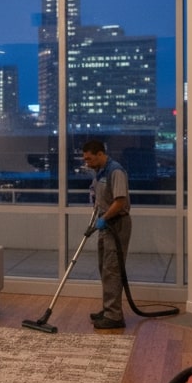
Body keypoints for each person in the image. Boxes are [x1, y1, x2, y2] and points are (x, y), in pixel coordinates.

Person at [82, 138, 131, 330]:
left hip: (117, 224)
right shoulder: (99, 172)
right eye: (85, 160)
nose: (87, 163)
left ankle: (114, 316)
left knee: (113, 269)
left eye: (89, 159)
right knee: (104, 268)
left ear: (100, 154)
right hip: (105, 224)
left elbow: (120, 201)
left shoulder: (115, 171)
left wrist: (105, 219)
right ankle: (108, 308)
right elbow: (99, 197)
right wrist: (98, 219)